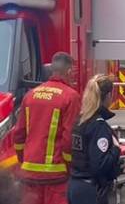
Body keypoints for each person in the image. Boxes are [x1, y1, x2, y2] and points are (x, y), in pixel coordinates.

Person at [13, 52, 81, 204]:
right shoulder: (71, 96)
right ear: (69, 71)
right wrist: (70, 167)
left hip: (29, 174)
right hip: (55, 176)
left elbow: (18, 135)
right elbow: (68, 139)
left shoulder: (30, 95)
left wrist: (24, 161)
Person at [68, 74, 121, 204]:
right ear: (108, 96)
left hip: (74, 185)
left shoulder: (80, 121)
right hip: (90, 190)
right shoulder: (98, 125)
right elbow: (100, 165)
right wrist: (116, 149)